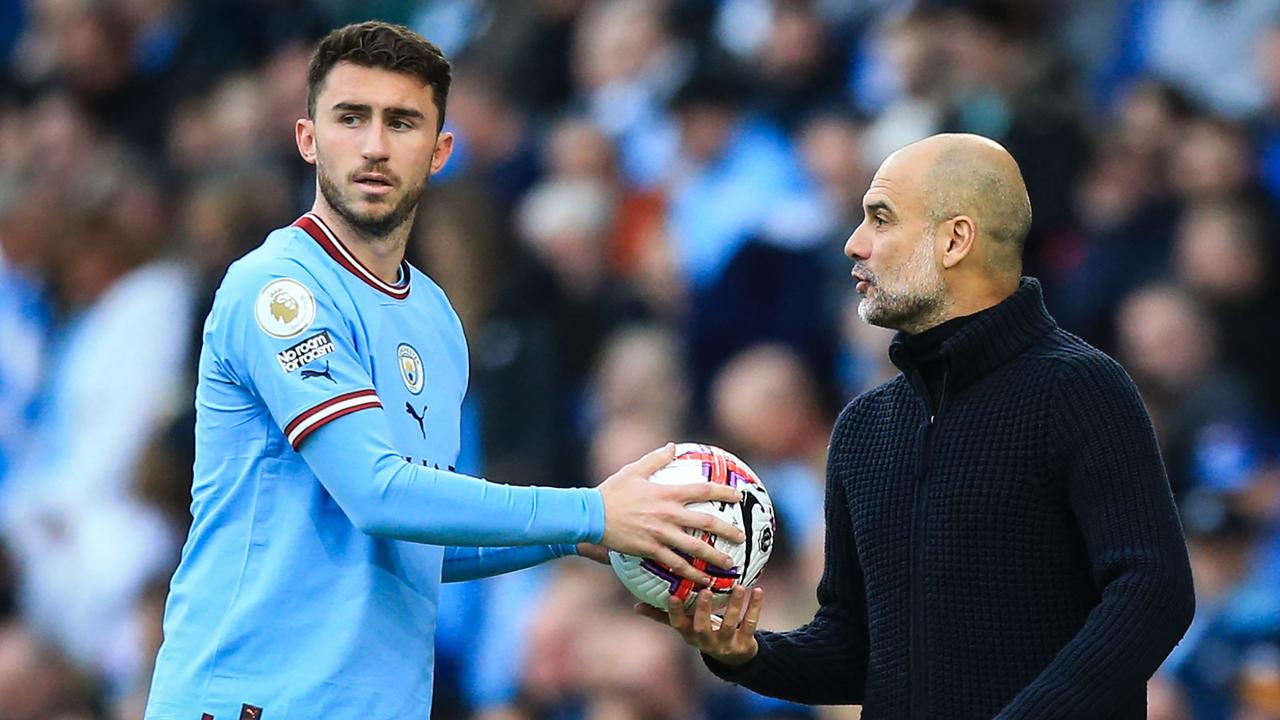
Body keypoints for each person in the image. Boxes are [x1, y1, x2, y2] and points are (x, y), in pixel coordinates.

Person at [143, 22, 744, 720]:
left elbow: (420, 538)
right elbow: (377, 494)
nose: (373, 146)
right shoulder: (278, 290)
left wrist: (582, 534)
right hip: (252, 699)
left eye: (401, 122)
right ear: (307, 139)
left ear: (439, 151)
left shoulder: (434, 316)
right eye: (350, 118)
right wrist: (591, 511)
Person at [642, 133, 1196, 719]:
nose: (854, 244)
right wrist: (745, 652)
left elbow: (1153, 592)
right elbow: (854, 648)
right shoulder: (864, 427)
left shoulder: (1080, 389)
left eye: (880, 219)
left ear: (956, 239)